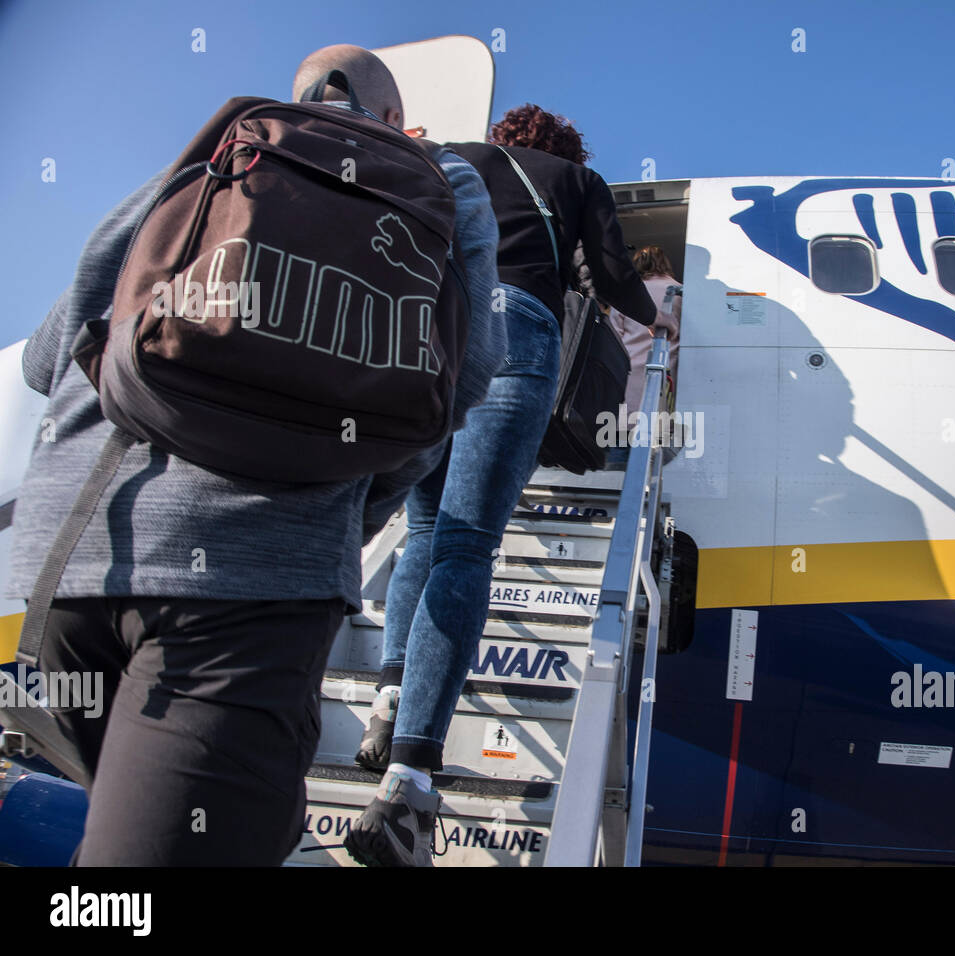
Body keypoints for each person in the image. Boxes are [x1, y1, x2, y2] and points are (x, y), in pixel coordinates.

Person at [4, 44, 503, 865]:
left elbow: (48, 351)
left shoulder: (229, 145)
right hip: (247, 585)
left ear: (299, 97)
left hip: (71, 569)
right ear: (391, 120)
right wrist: (355, 507)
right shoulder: (440, 175)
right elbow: (465, 375)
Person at [344, 104, 657, 867]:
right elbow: (611, 273)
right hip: (519, 331)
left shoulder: (452, 160)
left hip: (437, 333)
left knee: (423, 532)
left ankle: (389, 696)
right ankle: (409, 783)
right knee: (467, 545)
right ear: (563, 148)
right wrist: (660, 320)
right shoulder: (578, 180)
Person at [606, 245, 682, 464]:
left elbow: (613, 339)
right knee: (653, 464)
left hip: (625, 386)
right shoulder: (679, 292)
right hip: (661, 386)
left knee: (617, 459)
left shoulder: (626, 296)